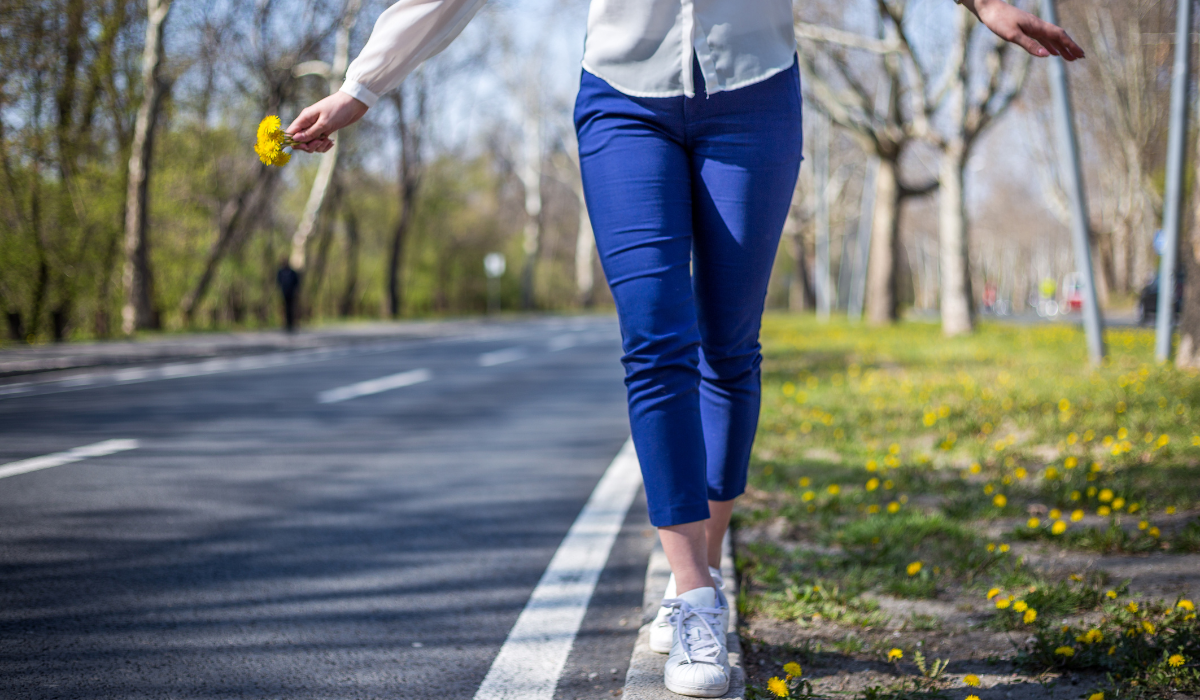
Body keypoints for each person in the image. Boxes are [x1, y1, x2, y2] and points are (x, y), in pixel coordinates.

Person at [287, 1, 1083, 695]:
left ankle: (697, 562)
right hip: (623, 102)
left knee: (729, 344)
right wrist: (363, 83)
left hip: (756, 95)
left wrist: (984, 3)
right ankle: (697, 594)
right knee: (657, 336)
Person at [276, 261, 301, 333]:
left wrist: (296, 291)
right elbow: (278, 281)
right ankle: (286, 323)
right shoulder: (281, 272)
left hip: (292, 293)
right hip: (284, 293)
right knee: (284, 308)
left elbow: (296, 282)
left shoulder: (292, 273)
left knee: (292, 308)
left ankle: (293, 323)